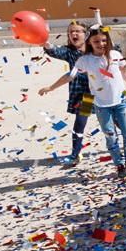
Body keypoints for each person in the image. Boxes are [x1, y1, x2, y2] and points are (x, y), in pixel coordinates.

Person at [39, 27, 126, 179]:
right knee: (105, 133)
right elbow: (69, 73)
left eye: (103, 40)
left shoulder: (115, 54)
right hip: (94, 101)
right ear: (89, 41)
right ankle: (112, 162)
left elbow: (124, 70)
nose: (100, 44)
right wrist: (51, 87)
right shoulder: (81, 58)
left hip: (119, 101)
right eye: (96, 41)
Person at [41, 21, 89, 165]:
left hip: (102, 92)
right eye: (71, 32)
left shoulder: (94, 49)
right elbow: (56, 51)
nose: (74, 34)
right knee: (80, 123)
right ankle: (75, 153)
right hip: (84, 96)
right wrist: (46, 44)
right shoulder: (69, 52)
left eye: (77, 31)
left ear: (85, 34)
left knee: (114, 120)